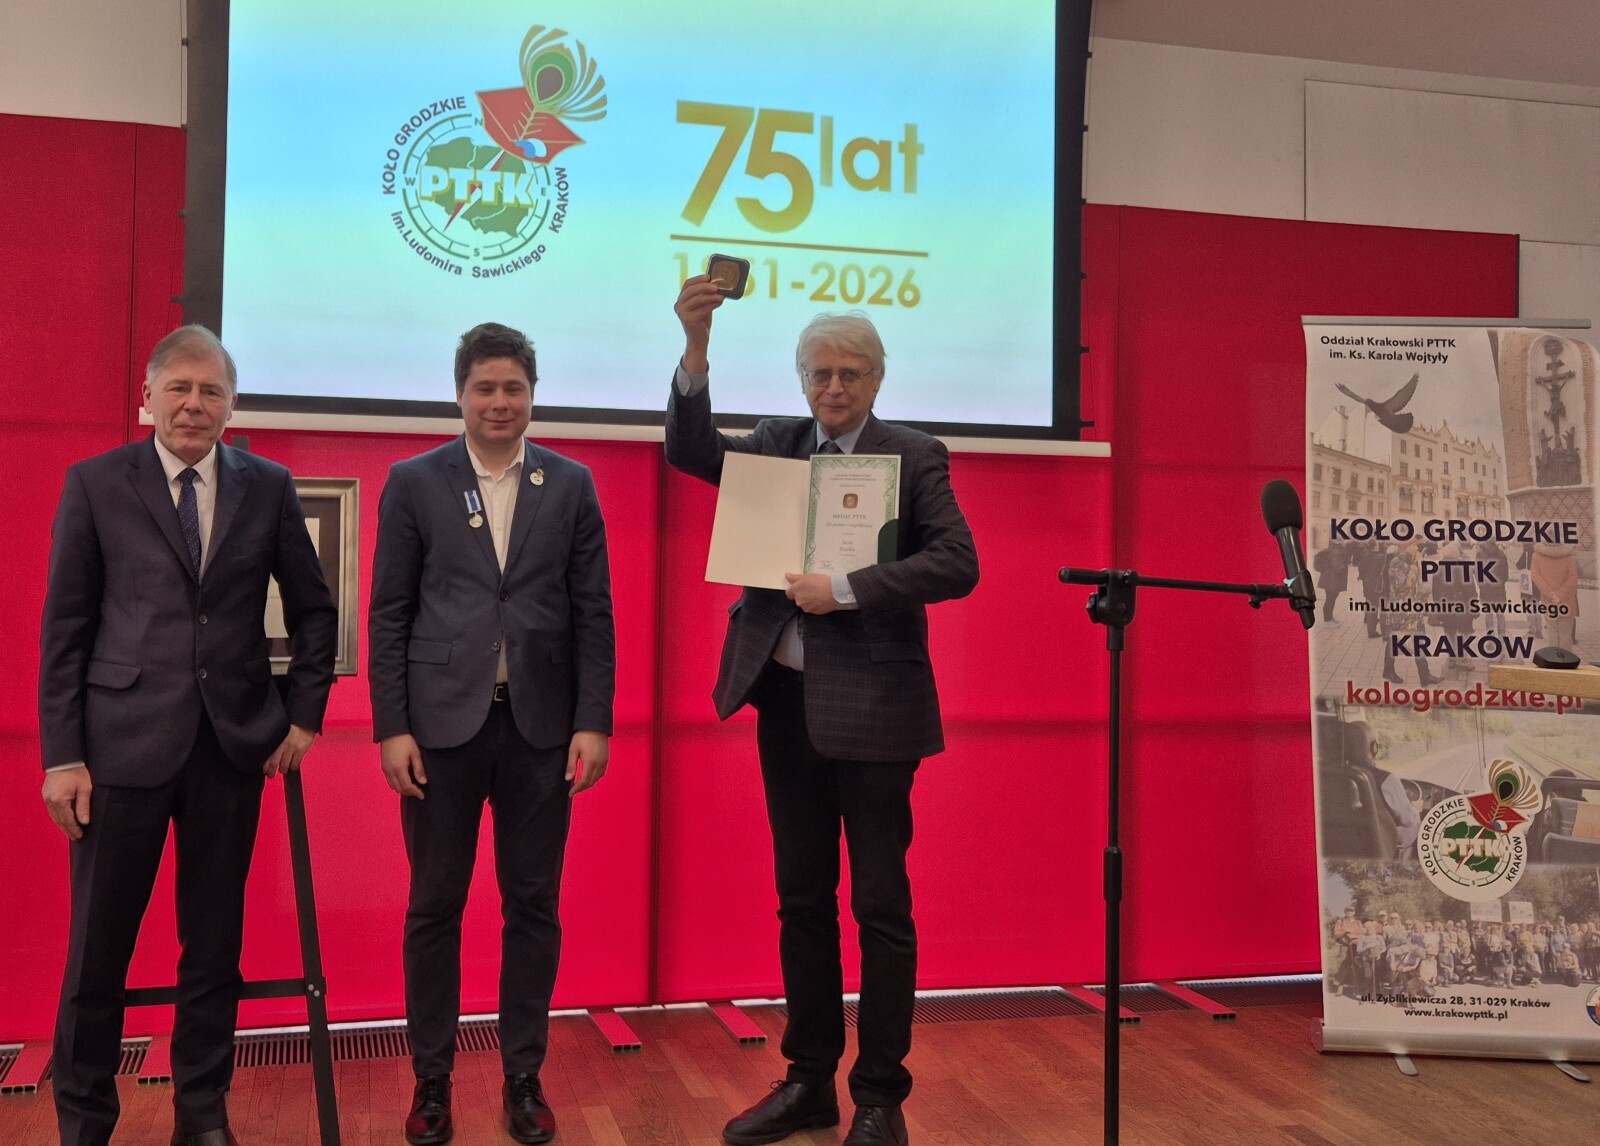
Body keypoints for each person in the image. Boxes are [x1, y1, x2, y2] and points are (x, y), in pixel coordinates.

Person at [666, 278, 979, 1146]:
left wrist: (844, 588)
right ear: (801, 379)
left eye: (849, 373)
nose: (833, 388)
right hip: (786, 705)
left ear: (877, 378)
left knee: (879, 907)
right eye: (819, 374)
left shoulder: (913, 454)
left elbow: (958, 562)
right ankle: (809, 1081)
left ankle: (879, 1096)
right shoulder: (778, 442)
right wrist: (696, 349)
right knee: (801, 900)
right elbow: (691, 453)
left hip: (877, 712)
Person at [38, 324, 338, 1146]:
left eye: (211, 391)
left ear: (232, 405)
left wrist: (303, 715)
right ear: (149, 397)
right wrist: (63, 756)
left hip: (230, 752)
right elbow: (65, 630)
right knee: (96, 955)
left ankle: (202, 1117)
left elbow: (314, 610)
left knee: (213, 952)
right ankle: (85, 1124)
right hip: (116, 753)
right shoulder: (96, 484)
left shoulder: (268, 487)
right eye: (179, 387)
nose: (194, 404)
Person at [369, 322, 615, 1146]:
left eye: (514, 388)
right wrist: (392, 727)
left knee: (533, 904)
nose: (500, 402)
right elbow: (389, 611)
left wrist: (592, 721)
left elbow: (594, 612)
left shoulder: (571, 483)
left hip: (542, 729)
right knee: (434, 904)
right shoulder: (414, 481)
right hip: (439, 730)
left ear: (533, 395)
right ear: (460, 395)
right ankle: (431, 1082)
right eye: (485, 388)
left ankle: (523, 1077)